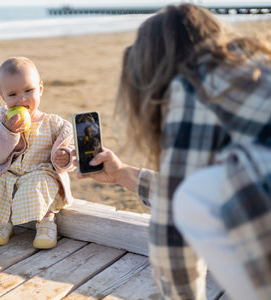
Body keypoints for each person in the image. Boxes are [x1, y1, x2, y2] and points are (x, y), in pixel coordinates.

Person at [75, 4, 271, 300]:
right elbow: (187, 186)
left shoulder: (193, 88)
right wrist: (122, 175)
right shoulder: (255, 70)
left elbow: (173, 226)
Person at [0, 56, 74, 249]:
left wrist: (65, 158)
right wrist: (9, 131)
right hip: (10, 173)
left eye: (28, 90)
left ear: (40, 88)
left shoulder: (54, 124)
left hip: (39, 172)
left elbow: (69, 154)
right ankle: (1, 222)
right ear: (3, 97)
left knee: (41, 183)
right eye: (13, 94)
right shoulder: (0, 124)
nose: (22, 99)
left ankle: (46, 222)